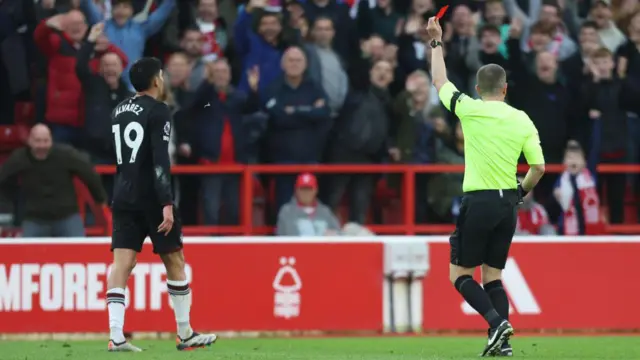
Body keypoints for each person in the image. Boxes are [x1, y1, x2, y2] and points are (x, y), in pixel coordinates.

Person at [426, 15, 546, 356]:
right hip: (508, 204)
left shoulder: (470, 109)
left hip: (478, 201)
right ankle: (502, 345)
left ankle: (497, 323)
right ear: (505, 90)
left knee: (459, 275)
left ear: (479, 89)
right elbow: (538, 167)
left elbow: (439, 80)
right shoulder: (521, 118)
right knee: (492, 277)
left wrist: (436, 41)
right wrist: (520, 192)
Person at [107, 57, 216, 352]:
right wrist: (166, 201)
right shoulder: (159, 110)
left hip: (123, 195)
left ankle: (116, 335)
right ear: (156, 80)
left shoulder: (118, 110)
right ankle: (185, 333)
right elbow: (159, 159)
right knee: (174, 261)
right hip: (152, 198)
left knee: (122, 264)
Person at [0, 124, 107, 237]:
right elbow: (3, 177)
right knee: (26, 254)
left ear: (51, 140)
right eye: (37, 141)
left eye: (46, 141)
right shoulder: (19, 158)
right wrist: (7, 203)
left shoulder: (66, 154)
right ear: (29, 141)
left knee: (80, 252)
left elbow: (89, 173)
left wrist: (100, 198)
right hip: (34, 219)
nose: (42, 145)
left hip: (67, 216)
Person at [276, 172, 341, 236]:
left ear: (316, 190)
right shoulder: (286, 212)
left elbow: (338, 234)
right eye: (303, 189)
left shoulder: (325, 212)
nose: (306, 193)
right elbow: (280, 238)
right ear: (296, 190)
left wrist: (334, 234)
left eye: (309, 189)